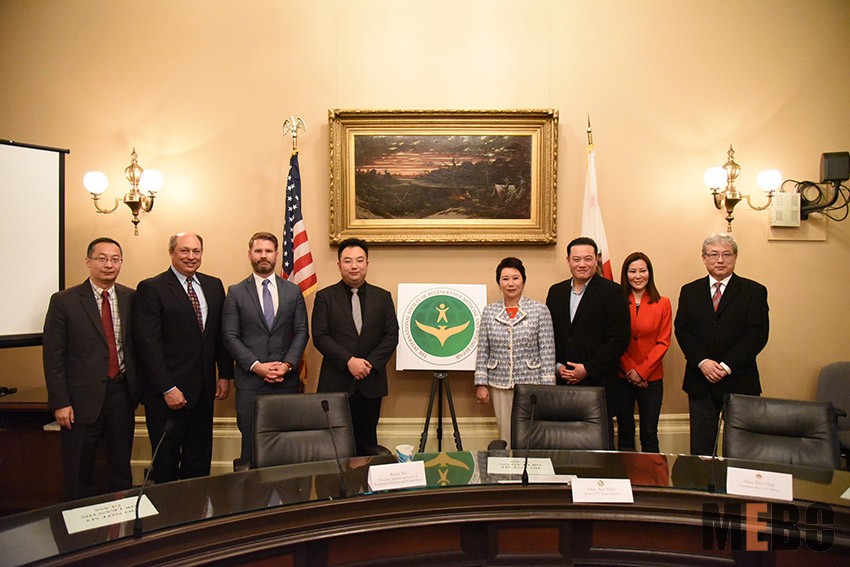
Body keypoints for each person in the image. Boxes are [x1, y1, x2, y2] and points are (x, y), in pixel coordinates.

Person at [42, 237, 140, 500]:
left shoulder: (132, 298)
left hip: (121, 395)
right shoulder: (65, 301)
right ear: (88, 261)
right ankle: (78, 524)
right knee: (78, 471)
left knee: (120, 469)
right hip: (79, 401)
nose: (109, 265)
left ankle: (121, 523)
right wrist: (60, 402)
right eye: (102, 258)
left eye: (115, 259)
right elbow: (54, 356)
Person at [134, 232, 234, 483]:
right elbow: (149, 345)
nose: (191, 256)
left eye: (196, 251)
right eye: (184, 251)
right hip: (167, 395)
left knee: (198, 462)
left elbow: (218, 335)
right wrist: (167, 388)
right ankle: (167, 509)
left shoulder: (213, 285)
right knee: (166, 463)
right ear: (171, 252)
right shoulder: (152, 288)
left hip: (203, 392)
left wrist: (224, 374)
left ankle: (196, 507)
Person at [675, 233, 769, 456]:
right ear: (704, 258)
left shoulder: (754, 291)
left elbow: (757, 334)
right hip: (701, 381)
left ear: (735, 257)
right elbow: (683, 330)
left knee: (743, 450)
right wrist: (702, 362)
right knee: (701, 451)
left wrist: (726, 366)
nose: (720, 260)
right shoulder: (690, 291)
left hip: (739, 380)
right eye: (713, 254)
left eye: (726, 254)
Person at [222, 231, 309, 463]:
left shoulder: (293, 291)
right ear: (249, 254)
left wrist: (287, 365)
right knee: (251, 450)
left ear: (277, 255)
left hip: (285, 382)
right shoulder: (236, 292)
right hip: (250, 383)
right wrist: (257, 366)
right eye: (258, 251)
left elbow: (302, 331)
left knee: (286, 450)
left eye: (268, 251)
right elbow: (230, 335)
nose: (263, 255)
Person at [312, 238, 399, 455]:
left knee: (367, 445)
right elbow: (320, 336)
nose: (354, 266)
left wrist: (368, 364)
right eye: (348, 261)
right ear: (339, 265)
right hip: (336, 382)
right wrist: (349, 361)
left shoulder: (383, 297)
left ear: (367, 264)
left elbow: (391, 336)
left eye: (359, 260)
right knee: (333, 446)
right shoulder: (325, 297)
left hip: (371, 383)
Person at [545, 236, 630, 448]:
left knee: (600, 449)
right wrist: (557, 366)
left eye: (588, 259)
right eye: (576, 259)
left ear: (597, 260)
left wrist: (588, 369)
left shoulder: (613, 292)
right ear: (568, 261)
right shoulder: (555, 292)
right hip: (562, 384)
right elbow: (548, 334)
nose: (582, 264)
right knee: (564, 445)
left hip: (598, 384)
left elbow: (619, 339)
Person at [474, 257, 555, 448]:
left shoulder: (539, 310)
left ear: (523, 281)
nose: (511, 283)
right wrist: (481, 383)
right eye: (505, 279)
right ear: (499, 283)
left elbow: (547, 349)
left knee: (532, 433)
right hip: (499, 383)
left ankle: (530, 466)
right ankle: (508, 466)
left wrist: (548, 386)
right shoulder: (489, 312)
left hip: (532, 383)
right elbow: (483, 349)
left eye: (515, 278)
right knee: (505, 432)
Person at [612, 252, 672, 453]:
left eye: (642, 271)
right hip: (622, 377)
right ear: (626, 274)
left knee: (649, 433)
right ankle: (625, 473)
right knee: (625, 431)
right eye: (632, 271)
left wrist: (642, 372)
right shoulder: (616, 301)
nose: (638, 276)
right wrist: (630, 370)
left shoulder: (663, 303)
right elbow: (613, 340)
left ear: (649, 273)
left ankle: (652, 474)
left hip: (651, 378)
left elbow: (663, 342)